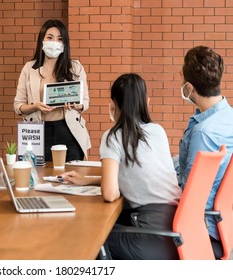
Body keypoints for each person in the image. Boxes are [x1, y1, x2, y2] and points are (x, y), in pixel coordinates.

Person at [60, 73, 182, 259]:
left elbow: (110, 194)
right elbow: (136, 176)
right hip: (175, 233)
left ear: (113, 104)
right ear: (145, 102)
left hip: (150, 236)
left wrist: (115, 126)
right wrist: (88, 181)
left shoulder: (113, 136)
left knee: (87, 237)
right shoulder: (158, 131)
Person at [177, 46, 233, 259]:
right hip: (224, 224)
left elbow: (191, 194)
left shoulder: (204, 132)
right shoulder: (228, 118)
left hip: (202, 229)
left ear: (189, 87)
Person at [14, 19, 91, 162]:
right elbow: (18, 106)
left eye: (60, 39)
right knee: (39, 177)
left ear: (64, 44)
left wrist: (76, 105)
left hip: (69, 131)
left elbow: (85, 102)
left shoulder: (75, 67)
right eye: (50, 37)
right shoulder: (29, 68)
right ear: (42, 40)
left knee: (71, 177)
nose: (54, 42)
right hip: (38, 132)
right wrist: (35, 106)